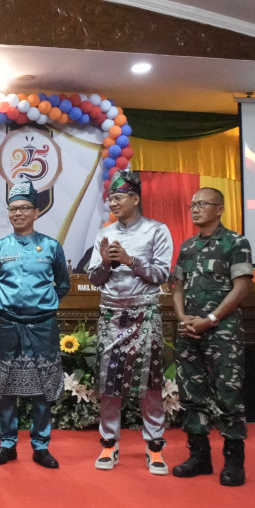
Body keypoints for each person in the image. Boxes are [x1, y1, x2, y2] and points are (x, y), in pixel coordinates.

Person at [87, 170, 174, 474]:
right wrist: (107, 263)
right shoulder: (103, 233)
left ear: (135, 199)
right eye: (111, 198)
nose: (113, 202)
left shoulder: (156, 230)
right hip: (111, 314)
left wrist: (129, 260)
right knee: (109, 382)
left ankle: (155, 447)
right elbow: (95, 279)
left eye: (119, 197)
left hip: (145, 313)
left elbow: (163, 274)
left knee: (150, 384)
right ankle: (109, 444)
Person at [0, 180, 69, 469]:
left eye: (24, 208)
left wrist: (43, 304)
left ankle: (41, 445)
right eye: (13, 209)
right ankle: (7, 444)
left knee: (43, 387)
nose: (18, 213)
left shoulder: (51, 247)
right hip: (8, 325)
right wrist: (8, 304)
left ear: (36, 211)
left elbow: (63, 284)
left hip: (43, 325)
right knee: (6, 386)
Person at [172, 187, 254, 486]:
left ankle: (234, 461)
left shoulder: (235, 242)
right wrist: (183, 319)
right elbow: (177, 288)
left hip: (223, 333)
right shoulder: (187, 246)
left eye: (202, 204)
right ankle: (199, 456)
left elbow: (242, 287)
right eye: (192, 204)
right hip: (189, 331)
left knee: (228, 394)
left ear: (219, 209)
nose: (195, 209)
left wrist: (210, 319)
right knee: (191, 394)